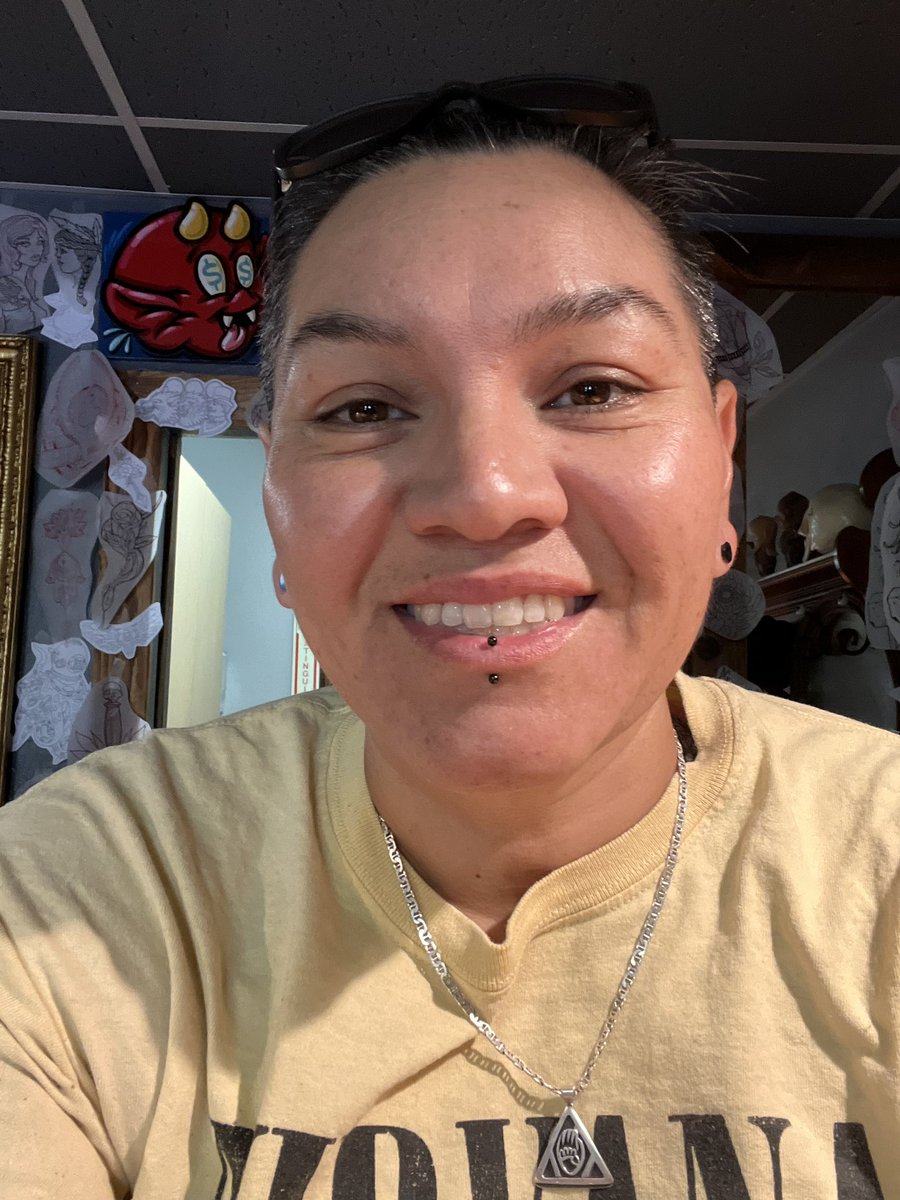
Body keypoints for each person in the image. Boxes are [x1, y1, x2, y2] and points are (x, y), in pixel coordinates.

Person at [1, 77, 898, 1198]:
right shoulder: (82, 893)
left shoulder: (878, 859)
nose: (485, 495)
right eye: (365, 407)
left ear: (721, 461)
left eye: (592, 387)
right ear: (277, 497)